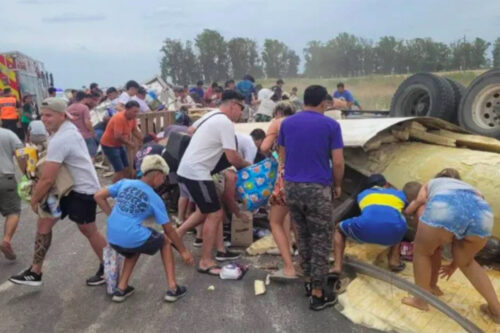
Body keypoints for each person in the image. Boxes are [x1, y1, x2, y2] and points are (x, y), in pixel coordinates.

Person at [9, 97, 107, 287]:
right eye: (43, 115)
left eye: (49, 115)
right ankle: (35, 271)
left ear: (62, 115)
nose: (44, 119)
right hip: (64, 189)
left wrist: (34, 200)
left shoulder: (63, 138)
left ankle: (110, 267)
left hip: (81, 190)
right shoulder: (62, 130)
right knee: (44, 222)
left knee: (88, 229)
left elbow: (47, 179)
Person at [401, 168, 500, 323]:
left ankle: (421, 300)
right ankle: (496, 310)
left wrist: (409, 212)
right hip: (483, 215)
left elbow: (420, 200)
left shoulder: (432, 183)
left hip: (445, 207)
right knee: (468, 263)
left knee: (422, 253)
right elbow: (466, 216)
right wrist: (456, 263)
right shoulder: (471, 189)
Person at [94, 155, 194, 302]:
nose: (163, 181)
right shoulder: (154, 198)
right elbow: (169, 230)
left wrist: (112, 216)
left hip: (112, 235)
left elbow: (98, 196)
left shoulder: (125, 183)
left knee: (136, 244)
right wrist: (183, 251)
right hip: (130, 235)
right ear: (157, 175)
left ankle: (121, 289)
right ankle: (173, 288)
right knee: (165, 241)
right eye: (163, 177)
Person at [279, 85, 344, 311]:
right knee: (321, 239)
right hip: (317, 188)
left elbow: (282, 155)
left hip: (292, 187)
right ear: (323, 103)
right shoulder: (331, 126)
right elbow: (337, 162)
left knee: (303, 234)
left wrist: (285, 179)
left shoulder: (286, 123)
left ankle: (308, 281)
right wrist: (337, 185)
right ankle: (318, 293)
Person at [177, 90, 250, 275]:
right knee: (215, 214)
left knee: (205, 210)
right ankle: (206, 261)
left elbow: (190, 130)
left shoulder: (211, 114)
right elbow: (232, 157)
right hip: (197, 171)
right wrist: (248, 165)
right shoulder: (224, 122)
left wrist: (204, 145)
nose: (241, 113)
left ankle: (175, 235)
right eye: (241, 108)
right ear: (233, 104)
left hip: (188, 168)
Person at [332, 174, 417, 278]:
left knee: (338, 229)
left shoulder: (363, 194)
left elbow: (354, 214)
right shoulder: (399, 194)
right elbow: (410, 211)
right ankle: (394, 260)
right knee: (398, 219)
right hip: (394, 233)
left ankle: (337, 266)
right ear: (386, 184)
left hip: (364, 230)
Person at [260, 101, 297, 280]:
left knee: (275, 220)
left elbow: (264, 147)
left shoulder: (278, 123)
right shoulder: (300, 122)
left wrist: (274, 155)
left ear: (278, 112)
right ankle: (298, 256)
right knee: (295, 217)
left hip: (286, 174)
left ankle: (289, 267)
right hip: (305, 175)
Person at [0, 127, 26, 260]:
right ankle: (6, 240)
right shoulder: (8, 134)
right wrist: (27, 174)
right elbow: (21, 155)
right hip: (5, 179)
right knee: (13, 212)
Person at [100, 100, 143, 183]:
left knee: (126, 168)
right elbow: (117, 136)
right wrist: (130, 143)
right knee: (119, 171)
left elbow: (134, 130)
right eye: (134, 112)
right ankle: (111, 191)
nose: (136, 114)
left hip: (119, 145)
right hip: (109, 145)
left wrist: (142, 139)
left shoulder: (132, 118)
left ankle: (125, 187)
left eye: (137, 112)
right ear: (127, 109)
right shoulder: (119, 118)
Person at [67, 91, 97, 161]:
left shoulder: (68, 108)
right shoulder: (84, 108)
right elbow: (87, 122)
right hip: (86, 135)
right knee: (91, 155)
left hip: (74, 135)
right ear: (84, 98)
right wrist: (92, 132)